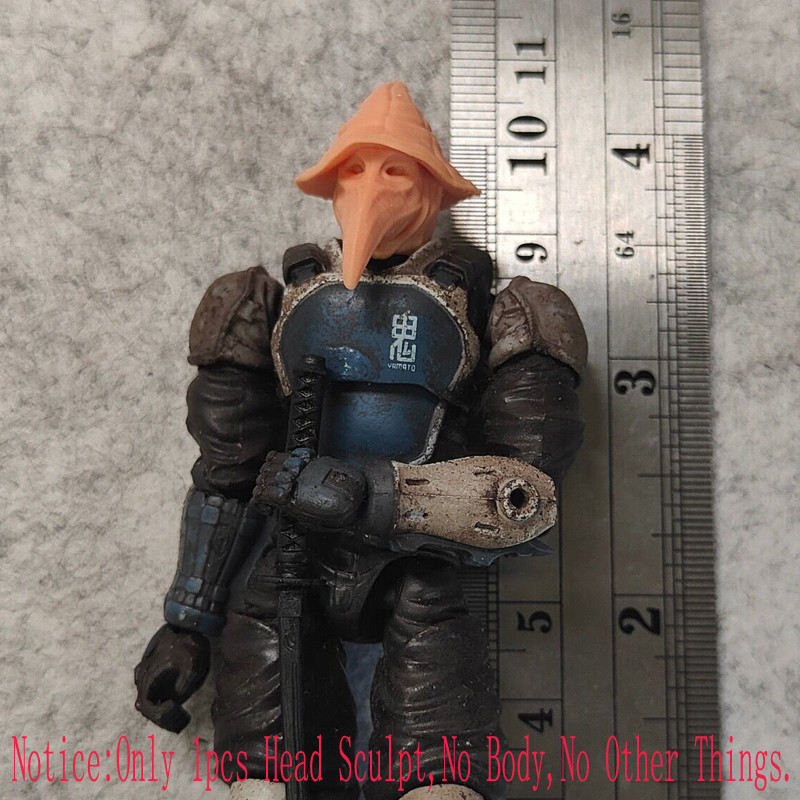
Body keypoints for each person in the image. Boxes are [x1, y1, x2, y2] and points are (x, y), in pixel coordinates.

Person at [134, 82, 587, 800]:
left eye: (394, 169)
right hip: (293, 561)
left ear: (433, 186)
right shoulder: (264, 305)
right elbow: (225, 474)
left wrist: (374, 496)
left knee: (441, 780)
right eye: (353, 168)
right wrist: (186, 622)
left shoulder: (509, 312)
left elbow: (525, 498)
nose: (371, 186)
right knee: (263, 774)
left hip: (416, 560)